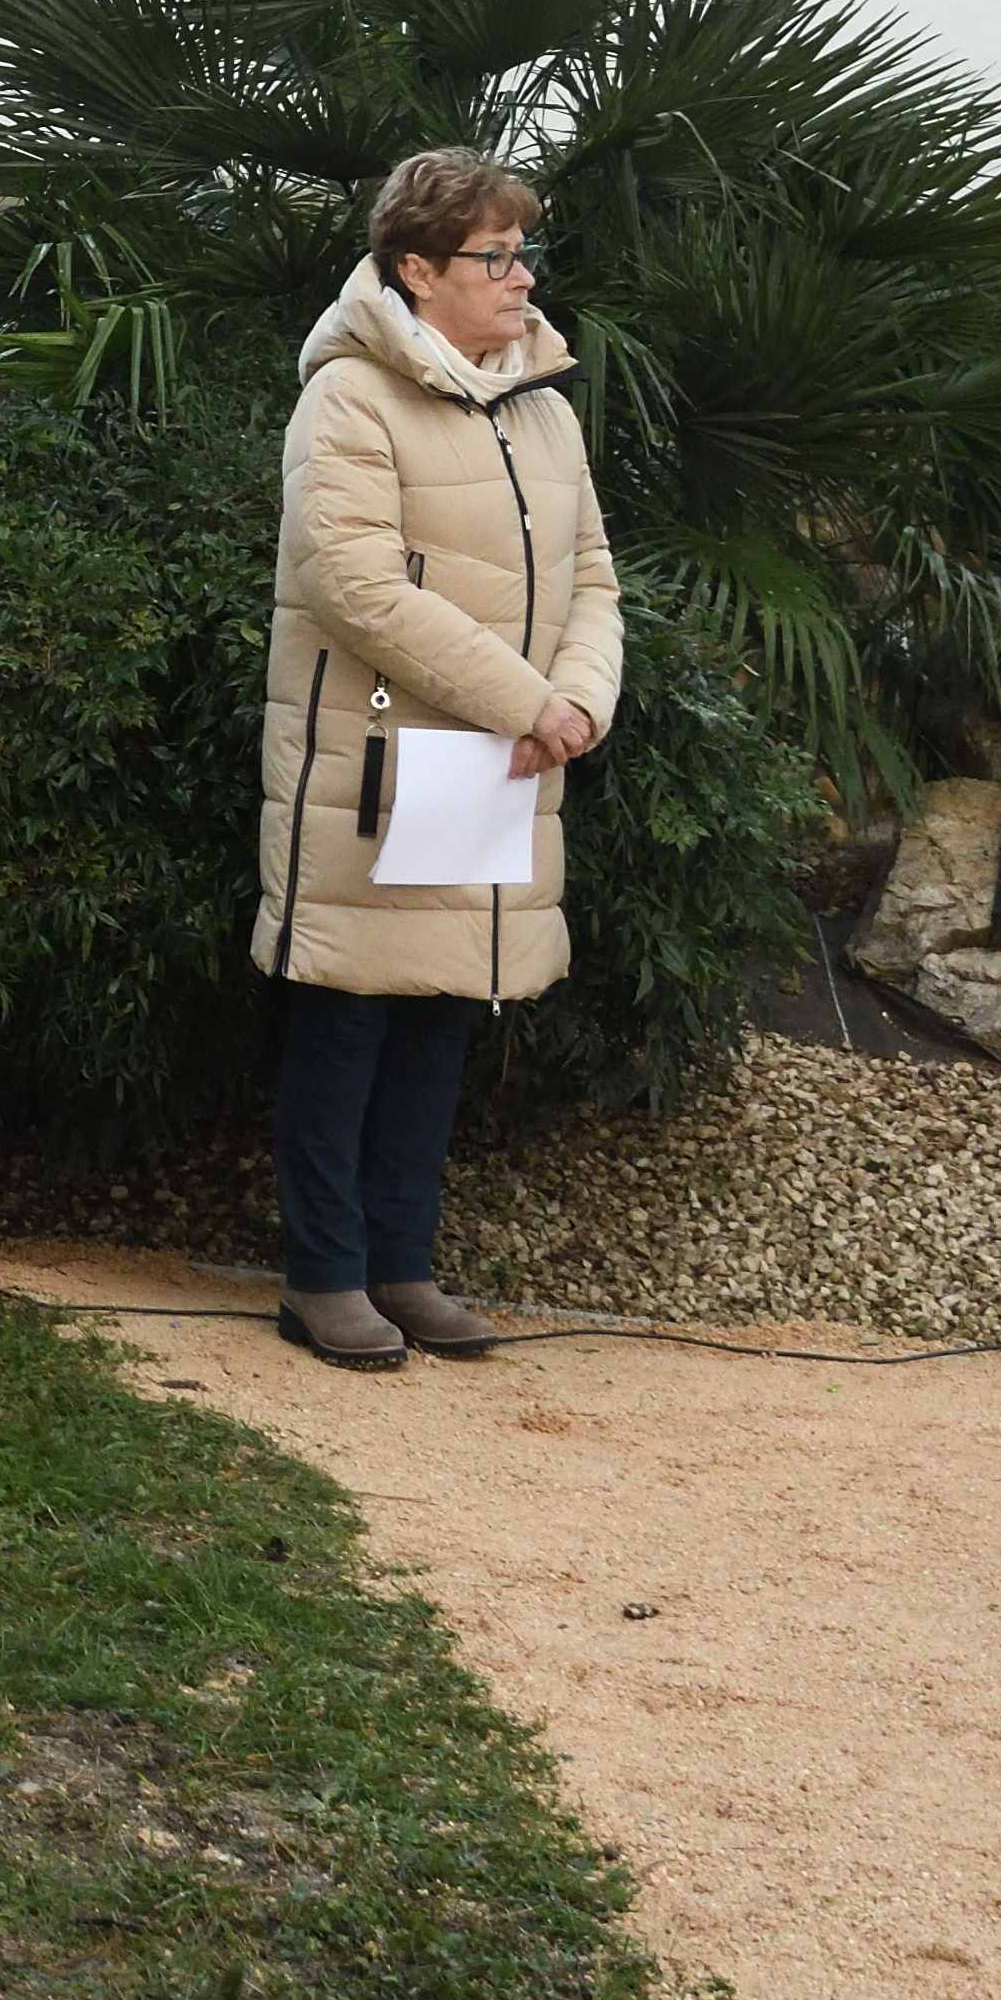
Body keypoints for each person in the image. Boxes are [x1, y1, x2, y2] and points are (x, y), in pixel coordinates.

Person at [250, 146, 620, 1369]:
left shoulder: (541, 401)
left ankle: (401, 1265)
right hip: (372, 761)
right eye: (493, 256)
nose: (522, 277)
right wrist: (525, 700)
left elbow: (592, 576)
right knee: (348, 1013)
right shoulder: (349, 398)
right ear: (415, 269)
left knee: (437, 1018)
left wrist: (576, 702)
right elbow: (353, 585)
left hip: (497, 759)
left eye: (523, 252)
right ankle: (322, 1277)